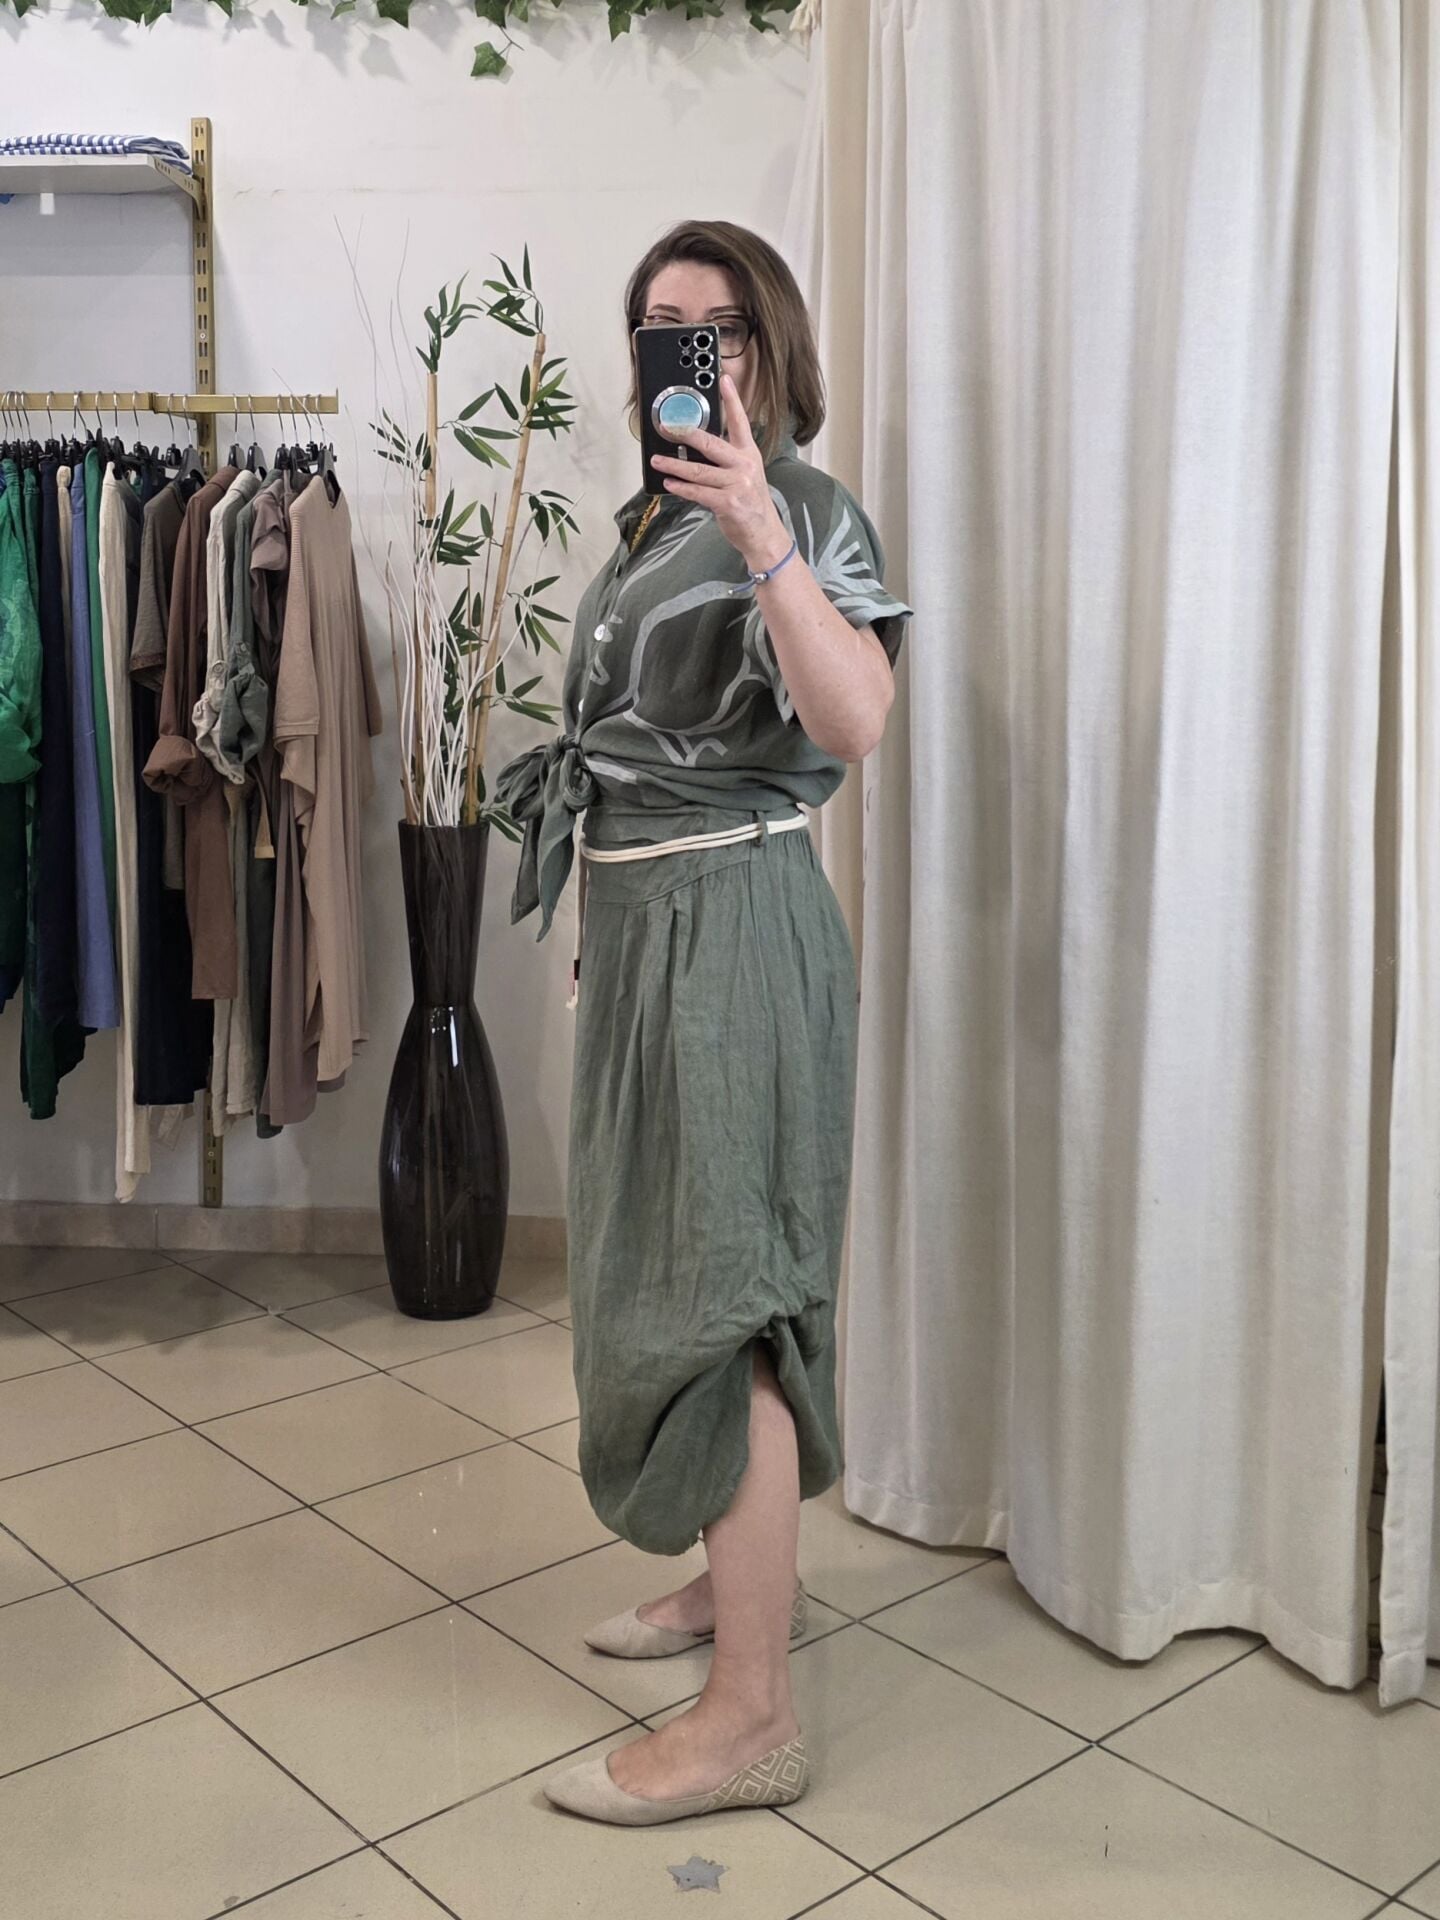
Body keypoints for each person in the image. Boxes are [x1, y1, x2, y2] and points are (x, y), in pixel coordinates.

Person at [496, 219, 913, 1827]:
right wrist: (601, 940)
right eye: (661, 326)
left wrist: (761, 532)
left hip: (735, 930)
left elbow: (856, 718)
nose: (688, 350)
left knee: (723, 1298)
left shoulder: (798, 505)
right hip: (651, 933)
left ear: (770, 345)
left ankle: (753, 1719)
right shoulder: (648, 517)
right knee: (661, 1273)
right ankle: (734, 1590)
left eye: (718, 325)